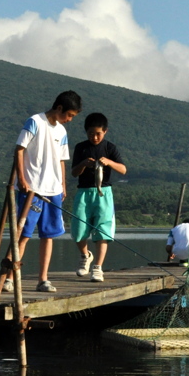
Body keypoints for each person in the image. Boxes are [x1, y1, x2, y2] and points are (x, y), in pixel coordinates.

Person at [5, 90, 81, 293]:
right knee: (23, 235)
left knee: (48, 235)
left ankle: (43, 279)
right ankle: (9, 278)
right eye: (69, 115)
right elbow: (19, 149)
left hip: (53, 190)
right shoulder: (34, 122)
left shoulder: (62, 132)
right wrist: (21, 179)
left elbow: (62, 160)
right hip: (31, 188)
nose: (70, 120)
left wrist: (63, 185)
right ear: (59, 108)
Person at [69, 113, 127, 283]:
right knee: (78, 229)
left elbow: (123, 169)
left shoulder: (110, 148)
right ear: (86, 132)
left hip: (104, 192)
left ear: (105, 132)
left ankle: (98, 268)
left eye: (98, 134)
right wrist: (83, 164)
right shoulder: (81, 148)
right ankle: (85, 255)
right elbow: (74, 173)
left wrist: (109, 162)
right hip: (84, 192)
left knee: (103, 231)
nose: (94, 137)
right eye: (91, 134)